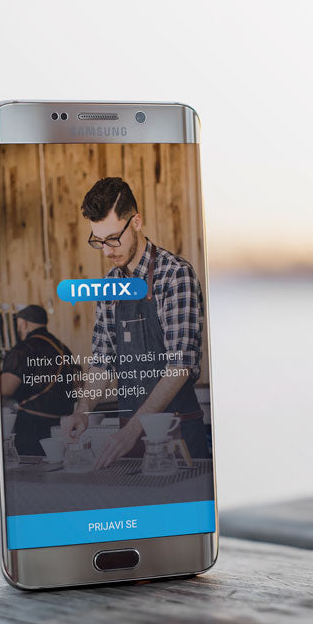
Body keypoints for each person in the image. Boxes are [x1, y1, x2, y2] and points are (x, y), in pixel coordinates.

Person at [61, 177, 208, 469]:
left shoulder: (175, 275)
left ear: (137, 222)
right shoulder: (109, 285)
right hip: (128, 438)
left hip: (176, 435)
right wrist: (83, 410)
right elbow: (102, 362)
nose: (107, 250)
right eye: (98, 241)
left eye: (114, 238)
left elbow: (180, 367)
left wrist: (131, 431)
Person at [0, 305, 76, 455]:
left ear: (23, 324)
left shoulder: (24, 348)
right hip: (61, 425)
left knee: (33, 470)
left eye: (18, 326)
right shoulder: (63, 348)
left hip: (31, 426)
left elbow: (5, 388)